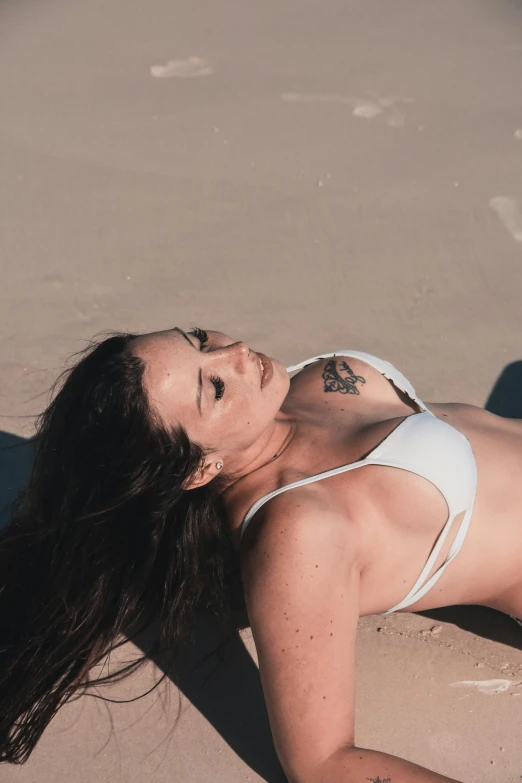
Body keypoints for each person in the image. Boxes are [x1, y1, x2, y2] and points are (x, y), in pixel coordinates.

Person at [1, 326, 521, 782]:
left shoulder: (276, 397)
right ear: (199, 469)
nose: (236, 353)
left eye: (200, 340)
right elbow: (321, 763)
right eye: (215, 388)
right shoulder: (295, 531)